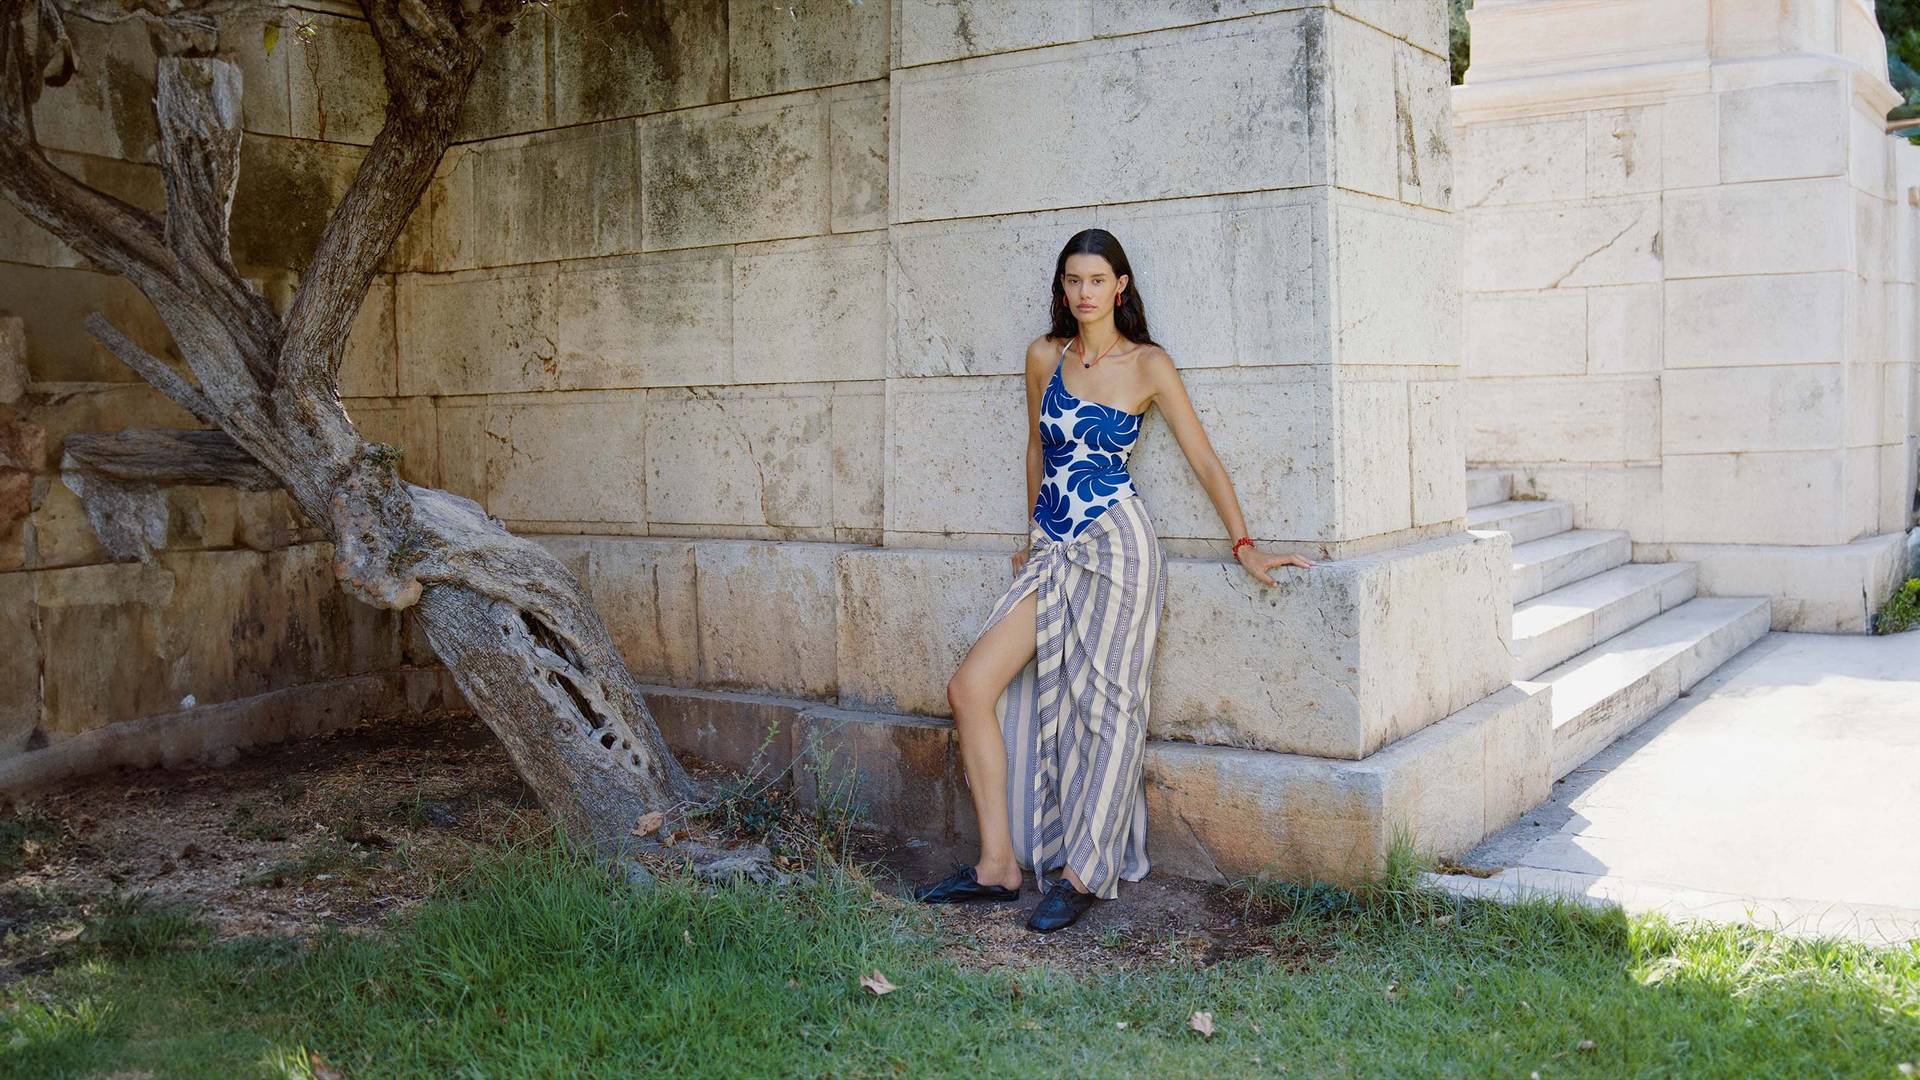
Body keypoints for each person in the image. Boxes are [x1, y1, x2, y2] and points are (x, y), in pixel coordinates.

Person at [911, 228, 1313, 932]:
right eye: (1073, 280)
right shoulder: (1045, 356)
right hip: (1056, 548)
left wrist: (1245, 545)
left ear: (1120, 286)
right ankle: (998, 867)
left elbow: (1205, 461)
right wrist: (1034, 532)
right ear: (1063, 288)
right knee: (969, 687)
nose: (1084, 291)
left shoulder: (1149, 365)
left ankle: (1084, 873)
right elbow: (1036, 445)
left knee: (1110, 709)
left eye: (1097, 279)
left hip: (1120, 549)